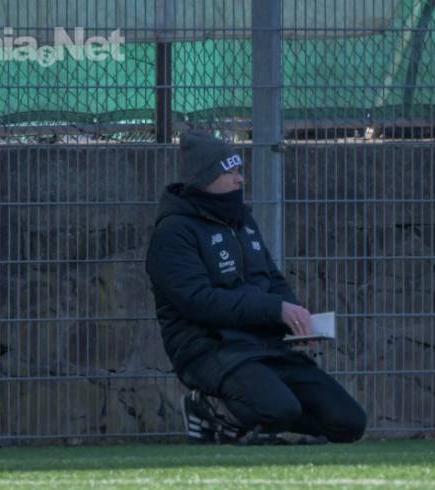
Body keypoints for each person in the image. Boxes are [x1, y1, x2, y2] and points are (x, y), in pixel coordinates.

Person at [145, 131, 366, 444]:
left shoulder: (242, 221)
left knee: (349, 422)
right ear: (204, 179)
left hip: (265, 345)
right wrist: (275, 310)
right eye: (231, 172)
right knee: (279, 409)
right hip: (209, 349)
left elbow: (272, 278)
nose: (240, 179)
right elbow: (199, 301)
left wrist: (294, 318)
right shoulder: (173, 233)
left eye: (240, 171)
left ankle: (261, 424)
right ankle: (208, 410)